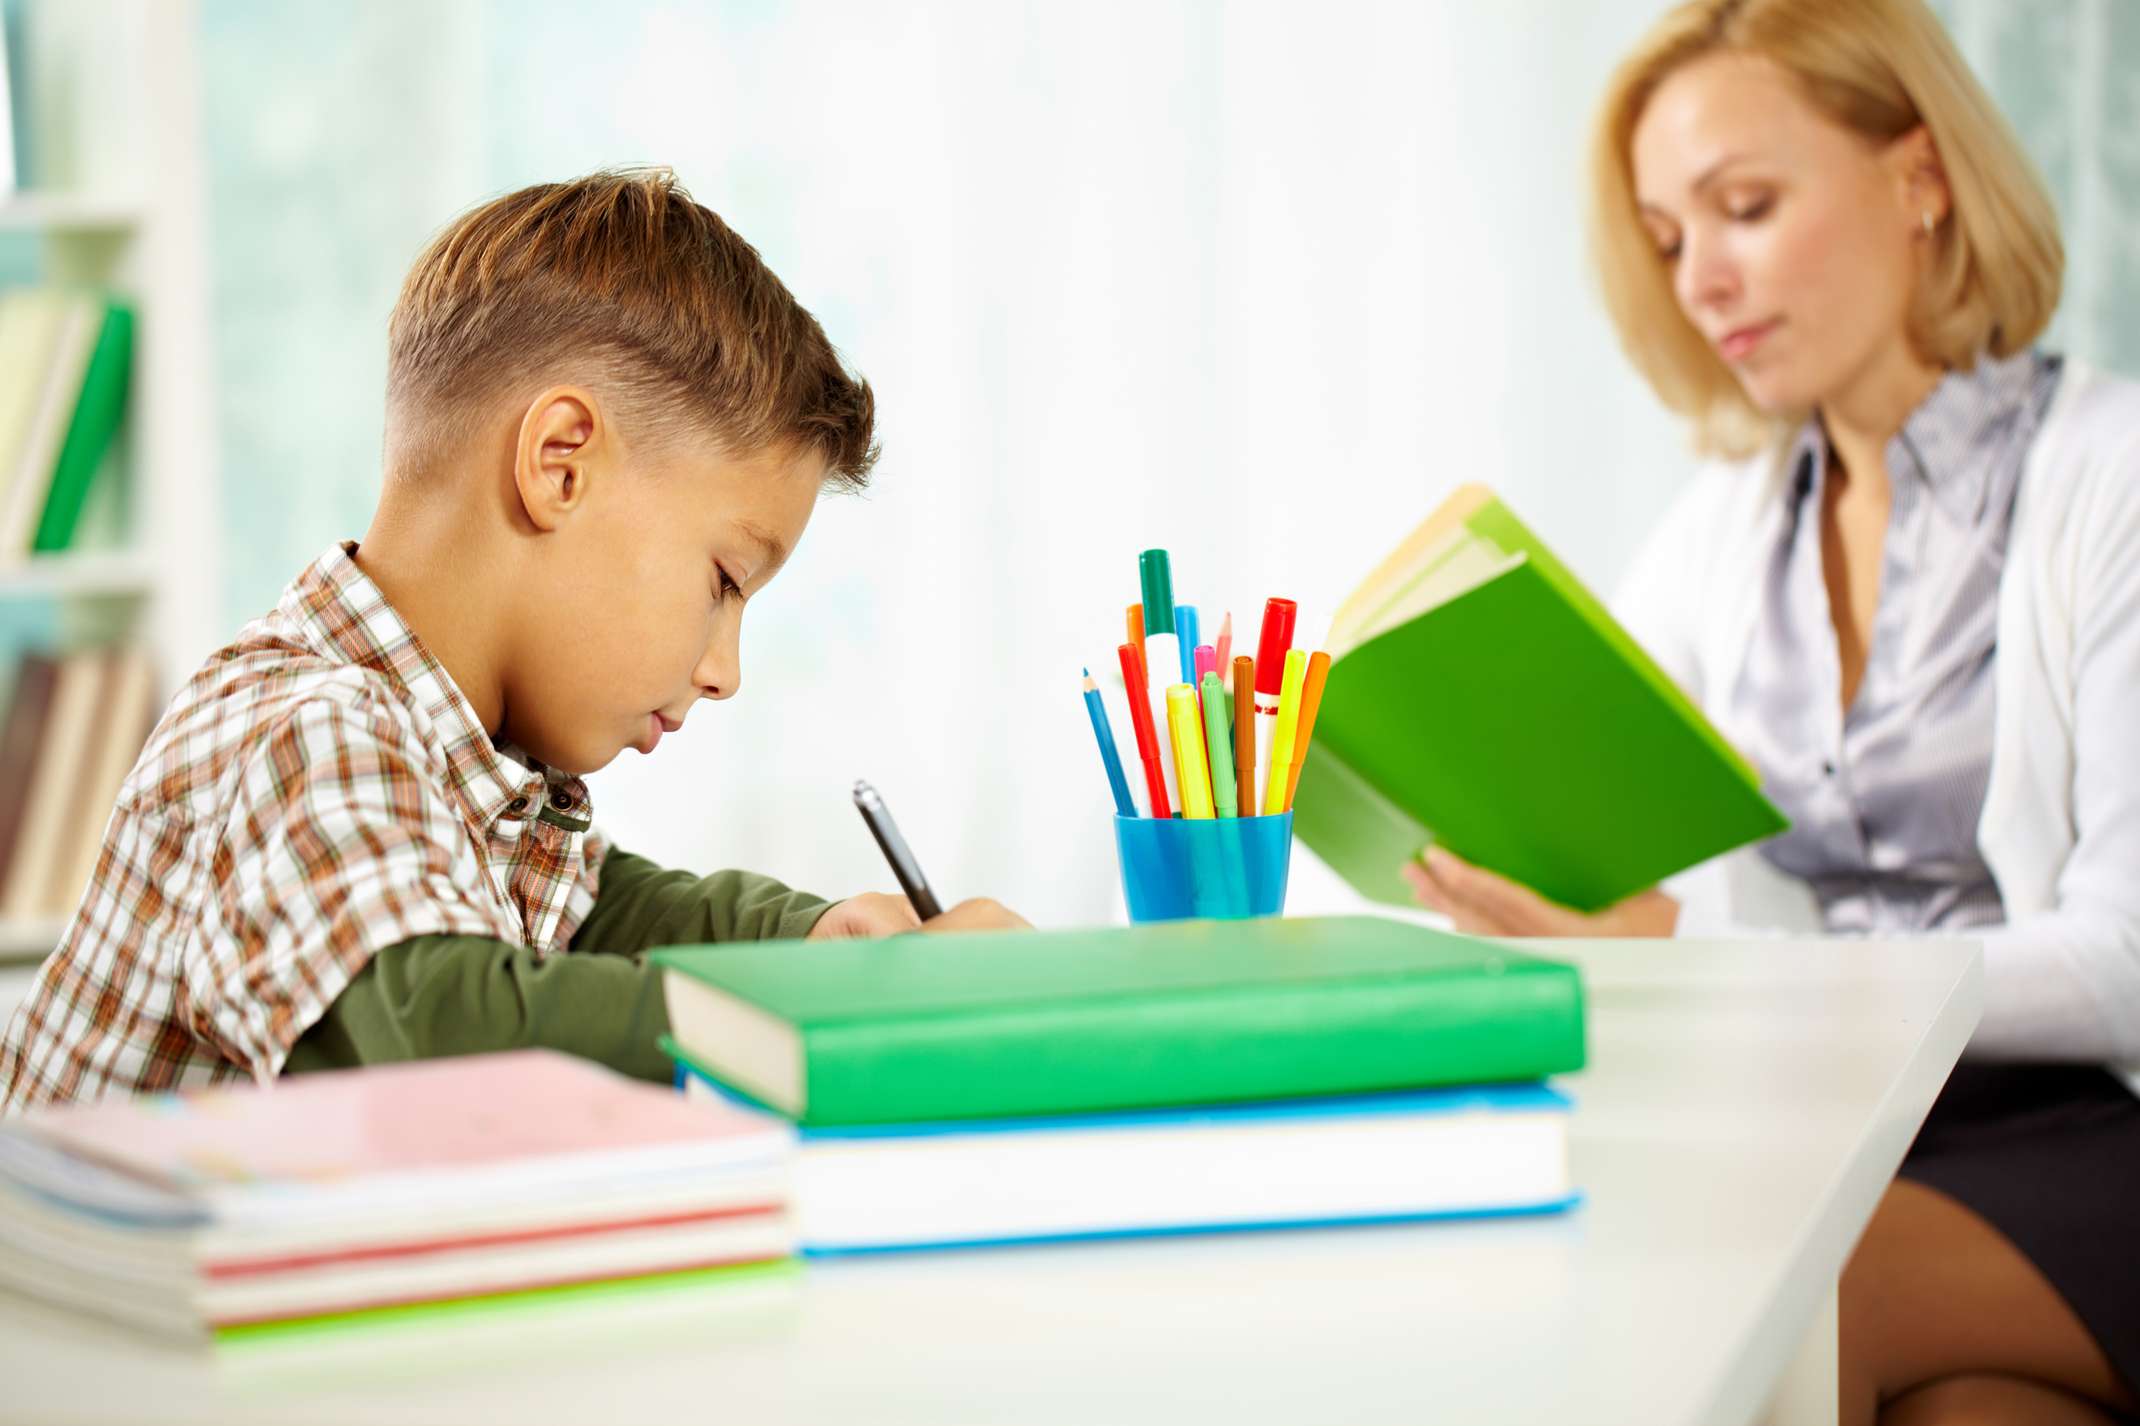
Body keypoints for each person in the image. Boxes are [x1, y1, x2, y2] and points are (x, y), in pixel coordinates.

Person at [1401, 3, 2140, 1421]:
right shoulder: (1717, 542)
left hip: (2091, 1137)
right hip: (1852, 1143)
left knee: (1753, 1296)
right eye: (1673, 239)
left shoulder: (2107, 481)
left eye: (1745, 207)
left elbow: (2119, 962)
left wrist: (1708, 961)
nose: (1703, 280)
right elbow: (1630, 855)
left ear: (1920, 179)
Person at [0, 169, 1027, 1112]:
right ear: (561, 464)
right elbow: (450, 1025)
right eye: (722, 582)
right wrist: (841, 1018)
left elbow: (599, 914)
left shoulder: (458, 770)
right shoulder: (300, 728)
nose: (724, 672)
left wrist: (812, 942)